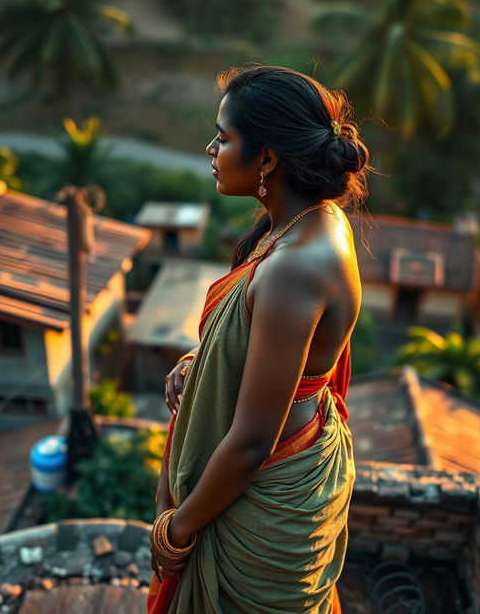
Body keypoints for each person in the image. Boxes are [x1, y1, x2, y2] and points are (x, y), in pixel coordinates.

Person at [147, 64, 368, 613]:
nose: (210, 149)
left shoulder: (295, 266)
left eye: (223, 139)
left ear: (267, 158)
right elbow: (276, 346)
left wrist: (176, 533)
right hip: (286, 458)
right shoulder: (313, 222)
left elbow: (250, 443)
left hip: (266, 496)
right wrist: (205, 360)